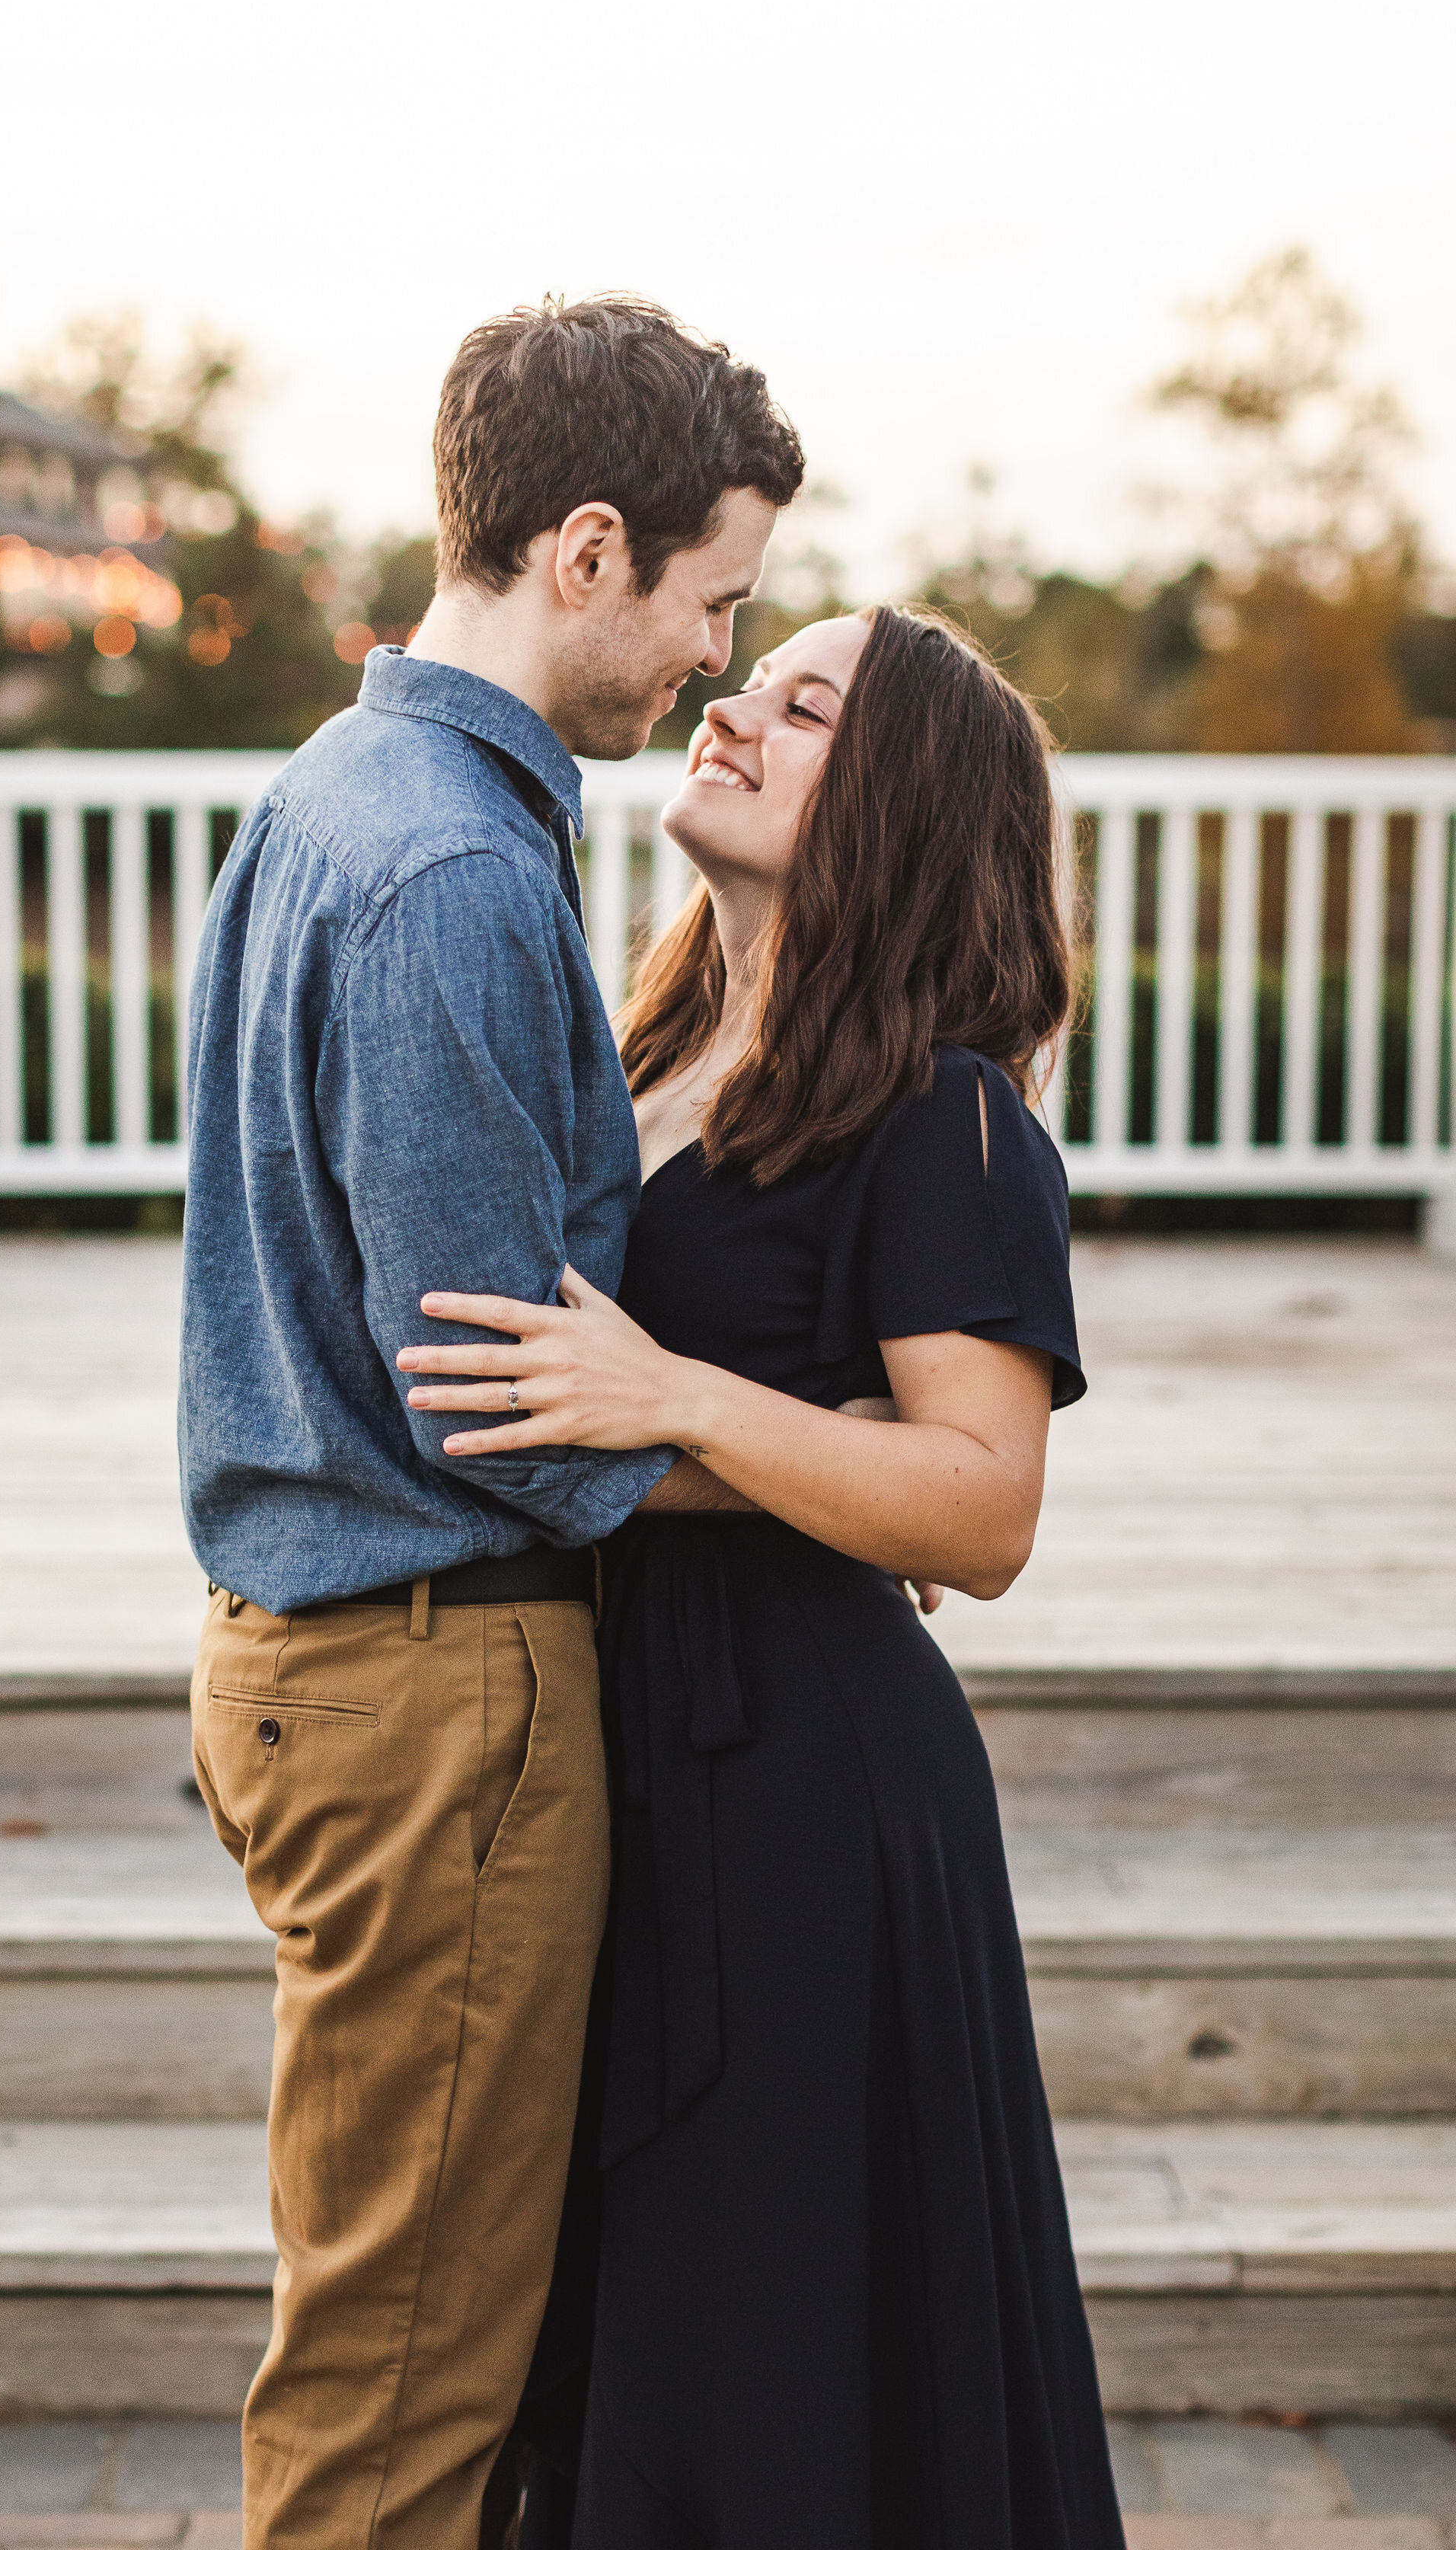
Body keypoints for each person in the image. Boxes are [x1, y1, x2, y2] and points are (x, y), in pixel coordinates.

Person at [398, 605, 1128, 2548]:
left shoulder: (945, 1111)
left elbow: (983, 1508)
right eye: (750, 678)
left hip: (804, 1801)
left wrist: (676, 1400)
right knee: (633, 2331)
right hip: (608, 1749)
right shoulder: (637, 1050)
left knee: (767, 2345)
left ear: (896, 807)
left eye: (805, 708)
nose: (733, 711)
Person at [177, 295, 805, 2550]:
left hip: (336, 1667)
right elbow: (507, 1399)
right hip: (431, 1685)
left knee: (404, 2339)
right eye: (713, 606)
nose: (714, 673)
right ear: (591, 548)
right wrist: (817, 1471)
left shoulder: (339, 798)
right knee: (402, 2401)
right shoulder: (451, 865)